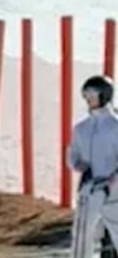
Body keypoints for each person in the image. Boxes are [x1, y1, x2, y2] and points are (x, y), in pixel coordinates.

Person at [68, 75, 118, 258]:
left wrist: (114, 179)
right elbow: (72, 154)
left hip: (114, 190)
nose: (88, 99)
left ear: (104, 95)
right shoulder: (81, 128)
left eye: (92, 94)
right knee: (82, 234)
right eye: (86, 95)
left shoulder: (115, 127)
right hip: (90, 189)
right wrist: (77, 164)